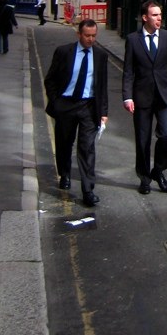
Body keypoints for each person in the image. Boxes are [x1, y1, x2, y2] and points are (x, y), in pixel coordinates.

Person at [44, 19, 109, 206]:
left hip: (88, 106)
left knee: (87, 147)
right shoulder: (64, 52)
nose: (91, 39)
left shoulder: (100, 55)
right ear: (79, 34)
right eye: (87, 35)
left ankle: (88, 190)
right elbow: (51, 80)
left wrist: (103, 111)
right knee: (64, 143)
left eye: (94, 36)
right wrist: (56, 103)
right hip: (66, 104)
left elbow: (102, 86)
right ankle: (64, 173)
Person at [122, 0, 167, 195]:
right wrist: (127, 97)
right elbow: (128, 71)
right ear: (145, 17)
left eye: (160, 14)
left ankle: (158, 170)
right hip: (142, 96)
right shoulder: (132, 39)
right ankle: (144, 178)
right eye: (155, 15)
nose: (159, 18)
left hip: (164, 94)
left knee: (166, 135)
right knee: (143, 140)